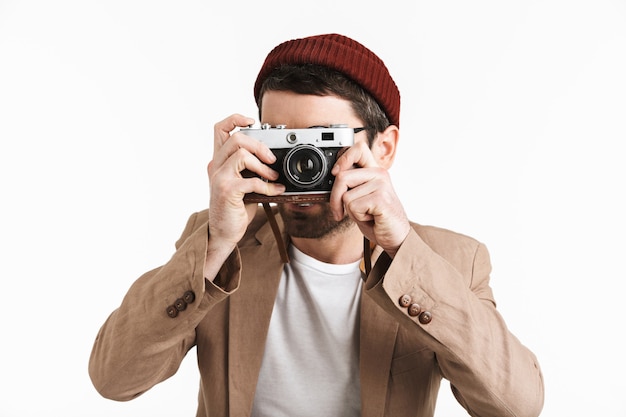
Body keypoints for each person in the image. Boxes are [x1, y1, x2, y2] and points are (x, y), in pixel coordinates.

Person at [89, 33, 544, 417]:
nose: (303, 167)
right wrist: (215, 245)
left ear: (383, 149)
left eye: (323, 143)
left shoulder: (452, 261)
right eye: (285, 143)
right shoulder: (218, 245)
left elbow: (517, 405)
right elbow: (114, 379)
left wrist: (403, 249)